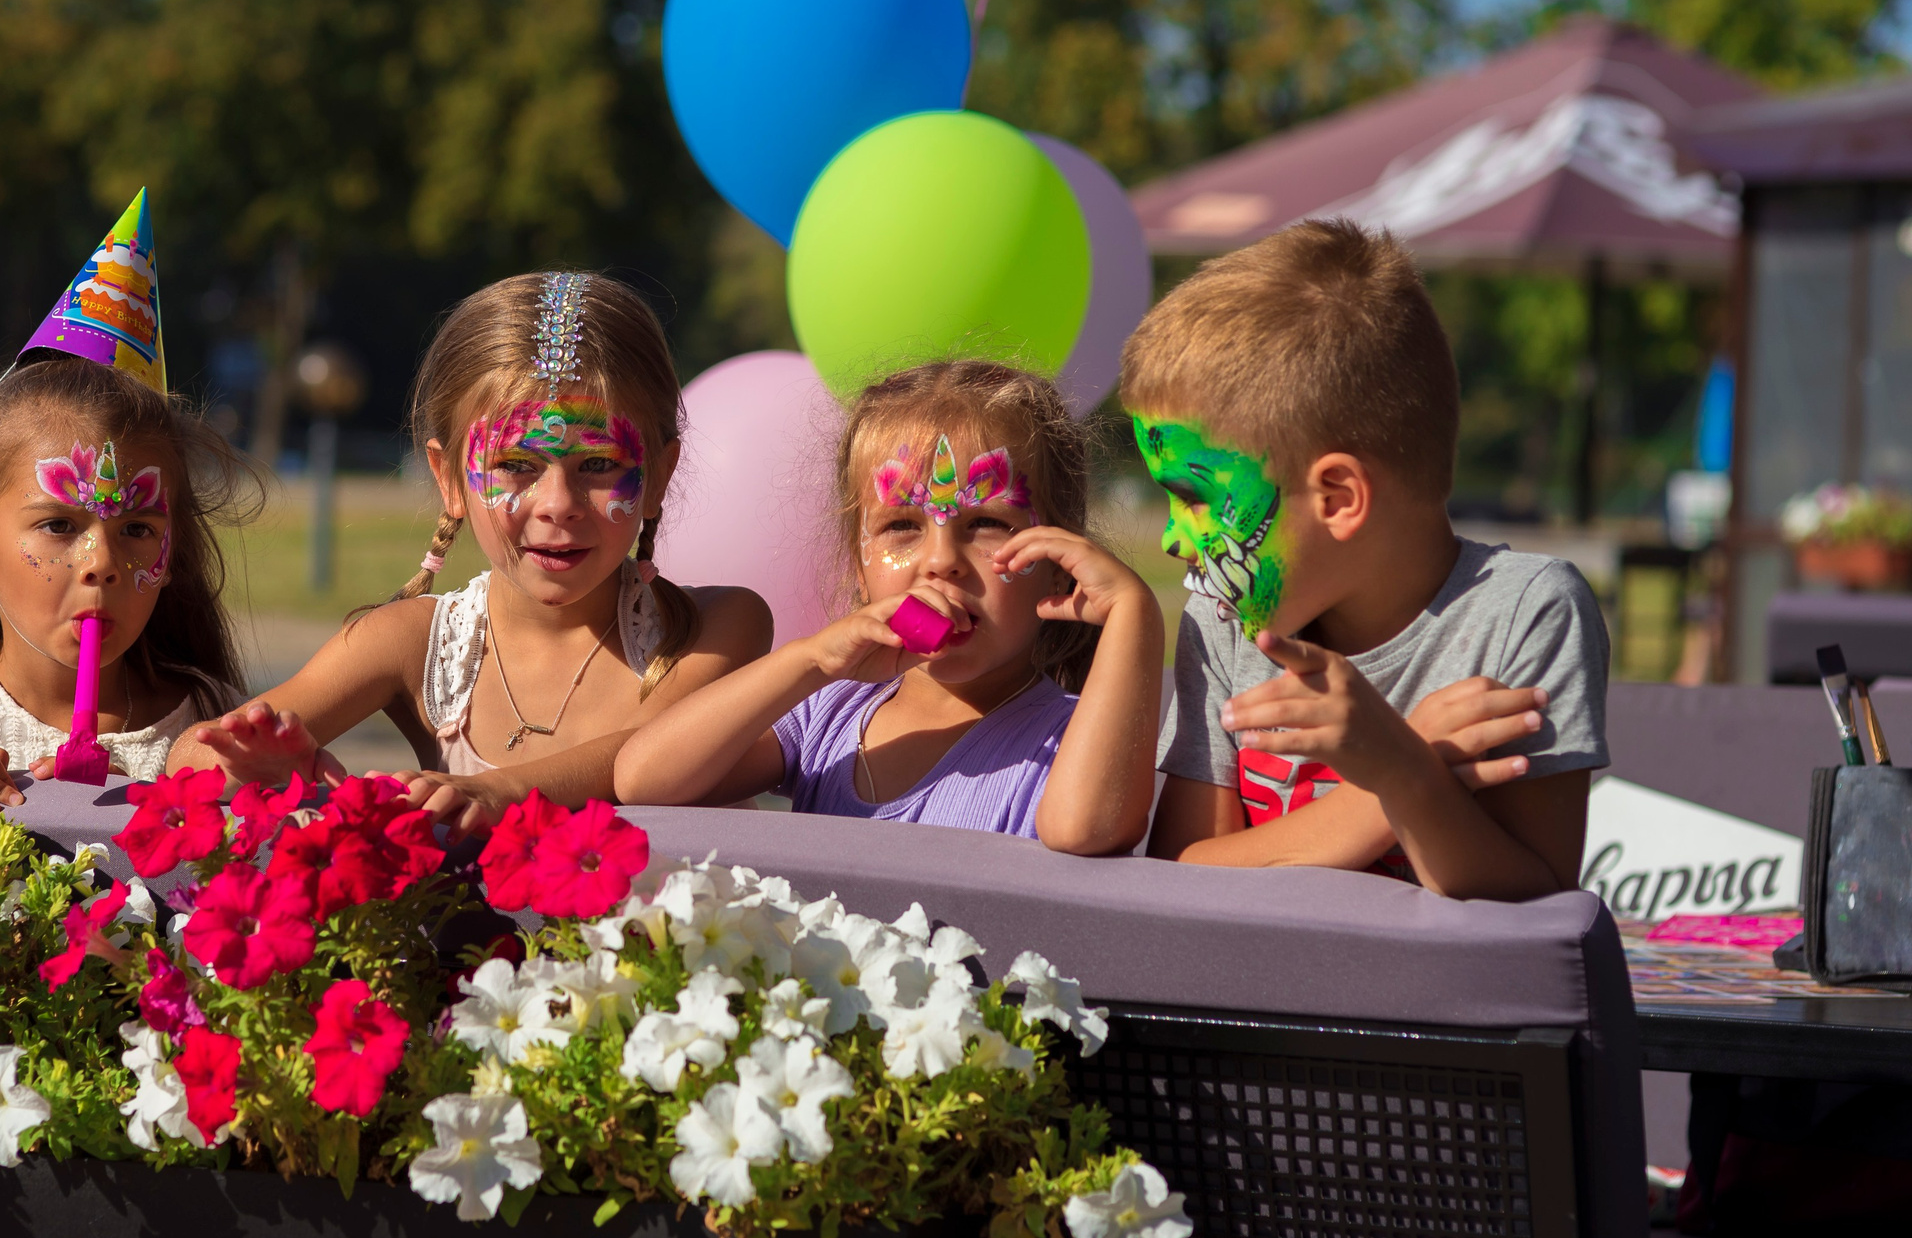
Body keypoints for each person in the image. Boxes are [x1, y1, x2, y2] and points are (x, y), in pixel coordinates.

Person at [171, 272, 772, 833]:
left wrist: (498, 790)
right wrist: (253, 761)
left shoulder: (716, 629)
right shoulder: (408, 642)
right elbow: (191, 757)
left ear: (660, 477)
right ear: (450, 478)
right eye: (515, 465)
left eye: (598, 464)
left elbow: (644, 752)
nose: (558, 504)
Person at [1128, 219, 1605, 900]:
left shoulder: (1525, 612)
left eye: (1194, 498)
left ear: (1339, 496)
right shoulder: (1222, 615)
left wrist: (1400, 767)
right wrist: (1404, 773)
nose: (1174, 536)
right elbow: (1182, 872)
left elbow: (1534, 905)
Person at [614, 360, 1162, 851]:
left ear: (1059, 559)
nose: (941, 561)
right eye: (902, 526)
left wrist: (1134, 616)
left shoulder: (1072, 737)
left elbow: (1086, 828)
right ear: (858, 562)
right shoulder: (829, 713)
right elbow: (645, 780)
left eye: (988, 523)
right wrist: (813, 660)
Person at [0, 191, 252, 796]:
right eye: (59, 526)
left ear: (173, 550)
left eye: (138, 529)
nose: (103, 563)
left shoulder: (216, 727)